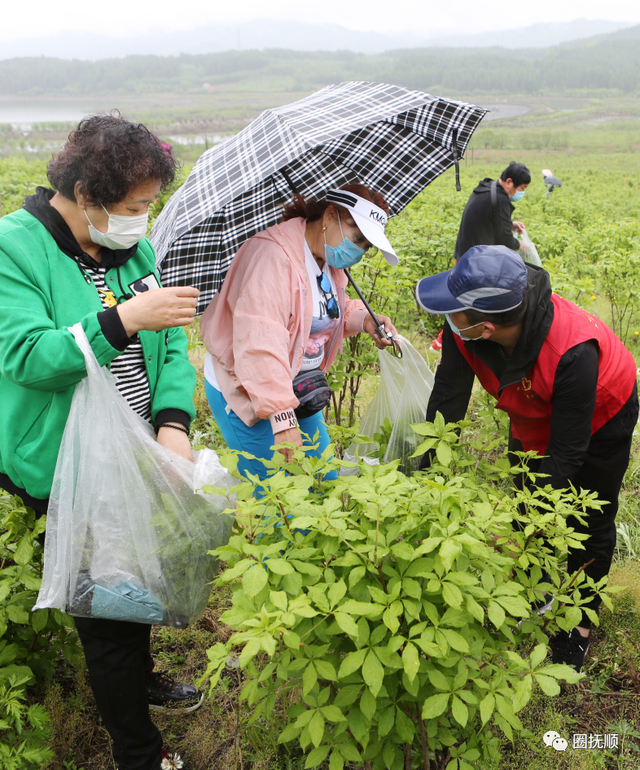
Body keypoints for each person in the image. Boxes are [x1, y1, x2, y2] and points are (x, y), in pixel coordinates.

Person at [0, 114, 202, 770]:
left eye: (150, 204)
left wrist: (172, 423)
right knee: (107, 619)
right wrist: (121, 319)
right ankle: (138, 752)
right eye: (135, 205)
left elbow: (170, 340)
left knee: (135, 577)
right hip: (71, 467)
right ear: (85, 195)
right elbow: (29, 356)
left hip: (138, 450)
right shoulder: (15, 247)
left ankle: (142, 677)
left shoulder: (132, 252)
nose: (144, 219)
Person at [415, 245, 638, 672]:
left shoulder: (574, 350)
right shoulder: (464, 332)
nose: (448, 316)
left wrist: (525, 526)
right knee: (525, 498)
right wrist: (428, 483)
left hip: (601, 413)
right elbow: (447, 398)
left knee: (587, 516)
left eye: (455, 310)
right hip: (533, 408)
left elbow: (568, 455)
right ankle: (530, 591)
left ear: (485, 326)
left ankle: (579, 621)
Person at [200, 184, 398, 482]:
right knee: (277, 496)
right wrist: (282, 419)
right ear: (330, 216)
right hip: (251, 389)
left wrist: (363, 320)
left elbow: (317, 313)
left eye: (366, 247)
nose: (358, 252)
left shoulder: (325, 259)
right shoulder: (272, 258)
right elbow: (259, 345)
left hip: (294, 386)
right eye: (357, 238)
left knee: (323, 481)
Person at [430, 161, 532, 353]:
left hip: (464, 256)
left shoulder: (487, 188)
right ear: (509, 182)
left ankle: (444, 341)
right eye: (522, 188)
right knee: (464, 305)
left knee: (458, 302)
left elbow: (489, 219)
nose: (521, 192)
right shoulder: (500, 199)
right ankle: (448, 342)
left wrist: (510, 224)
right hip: (474, 266)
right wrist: (521, 245)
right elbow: (505, 240)